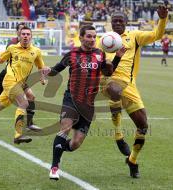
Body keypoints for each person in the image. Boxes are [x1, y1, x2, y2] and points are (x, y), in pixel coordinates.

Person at [47, 25, 126, 180]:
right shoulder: (72, 54)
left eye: (94, 37)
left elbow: (108, 72)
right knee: (65, 128)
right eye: (89, 36)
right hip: (71, 99)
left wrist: (118, 57)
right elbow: (55, 70)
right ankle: (54, 167)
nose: (92, 40)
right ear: (81, 37)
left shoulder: (100, 54)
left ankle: (59, 149)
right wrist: (45, 71)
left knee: (75, 144)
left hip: (89, 104)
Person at [102, 6, 168, 178]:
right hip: (109, 80)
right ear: (111, 23)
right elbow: (105, 68)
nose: (117, 23)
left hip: (130, 85)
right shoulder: (104, 40)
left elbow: (157, 35)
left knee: (143, 126)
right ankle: (118, 135)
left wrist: (162, 19)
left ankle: (132, 160)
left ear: (126, 22)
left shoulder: (135, 36)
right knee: (114, 89)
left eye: (120, 21)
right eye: (114, 21)